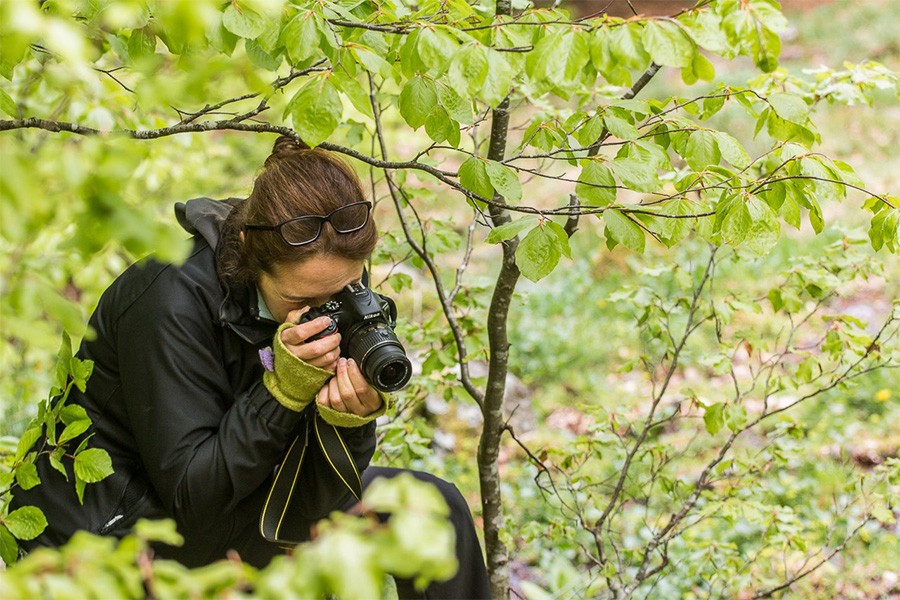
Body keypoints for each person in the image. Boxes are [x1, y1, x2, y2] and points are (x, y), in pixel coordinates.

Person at [12, 135, 491, 598]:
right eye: (304, 299)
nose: (324, 312)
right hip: (122, 525)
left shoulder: (329, 290)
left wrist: (349, 422)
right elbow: (195, 501)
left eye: (344, 290)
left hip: (242, 500)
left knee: (433, 509)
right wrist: (281, 393)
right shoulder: (170, 300)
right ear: (249, 255)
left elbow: (309, 501)